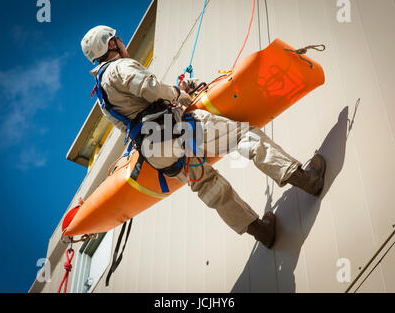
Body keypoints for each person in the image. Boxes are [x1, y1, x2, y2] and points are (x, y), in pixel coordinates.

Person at [81, 26, 326, 249]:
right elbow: (151, 88)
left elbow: (128, 125)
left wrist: (176, 94)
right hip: (174, 129)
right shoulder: (118, 67)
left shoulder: (102, 98)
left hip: (155, 152)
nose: (122, 43)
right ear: (111, 44)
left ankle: (262, 232)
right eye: (118, 39)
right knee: (243, 136)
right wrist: (179, 94)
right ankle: (306, 180)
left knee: (207, 185)